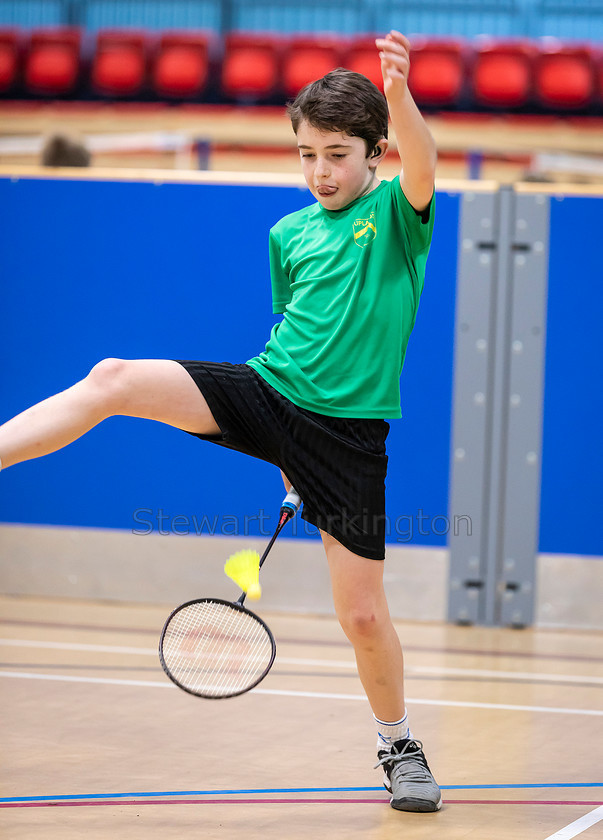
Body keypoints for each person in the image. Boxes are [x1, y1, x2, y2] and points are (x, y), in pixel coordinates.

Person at [0, 31, 440, 813]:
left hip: (347, 435)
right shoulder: (288, 233)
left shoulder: (399, 218)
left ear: (374, 154)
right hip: (269, 389)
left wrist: (399, 97)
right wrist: (279, 455)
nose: (320, 171)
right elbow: (298, 331)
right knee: (111, 378)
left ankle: (397, 745)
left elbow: (422, 160)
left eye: (337, 154)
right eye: (306, 154)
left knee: (364, 615)